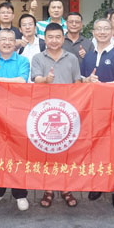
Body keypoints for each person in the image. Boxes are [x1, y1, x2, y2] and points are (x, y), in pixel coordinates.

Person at [31, 23, 81, 208]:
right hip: (45, 112)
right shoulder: (38, 58)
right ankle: (49, 188)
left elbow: (77, 83)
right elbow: (36, 79)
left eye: (57, 37)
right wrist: (46, 80)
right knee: (48, 152)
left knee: (66, 152)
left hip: (67, 112)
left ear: (63, 38)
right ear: (45, 38)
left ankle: (66, 187)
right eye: (50, 37)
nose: (54, 41)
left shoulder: (72, 58)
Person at [80, 18, 114, 209]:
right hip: (93, 111)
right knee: (95, 149)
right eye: (98, 29)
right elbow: (82, 80)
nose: (102, 32)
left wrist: (102, 86)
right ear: (93, 32)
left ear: (112, 32)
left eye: (106, 29)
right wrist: (87, 81)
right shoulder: (88, 56)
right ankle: (98, 185)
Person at [0, 28, 30, 211]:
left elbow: (22, 81)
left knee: (19, 153)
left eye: (10, 39)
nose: (7, 42)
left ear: (15, 42)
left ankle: (20, 194)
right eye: (3, 39)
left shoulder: (23, 61)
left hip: (18, 113)